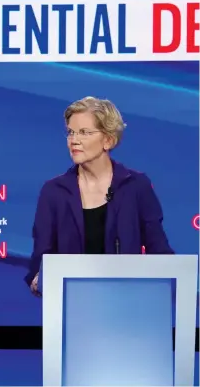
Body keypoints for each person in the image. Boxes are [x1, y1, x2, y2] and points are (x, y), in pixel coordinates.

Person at [25, 96, 174, 296]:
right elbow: (41, 257)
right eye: (70, 132)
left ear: (108, 140)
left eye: (84, 133)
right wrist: (37, 277)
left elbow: (159, 250)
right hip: (72, 307)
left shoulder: (136, 186)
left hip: (129, 304)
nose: (74, 140)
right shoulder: (54, 191)